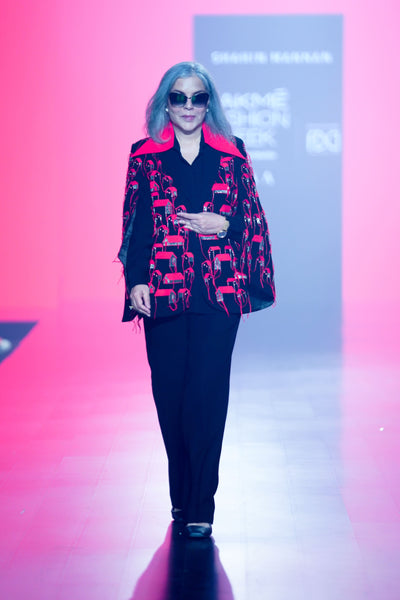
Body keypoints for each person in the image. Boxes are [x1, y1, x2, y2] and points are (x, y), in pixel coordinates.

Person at [118, 62, 275, 539]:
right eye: (179, 97)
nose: (189, 106)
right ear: (166, 103)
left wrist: (223, 224)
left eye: (198, 97)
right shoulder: (144, 155)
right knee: (170, 396)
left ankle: (201, 503)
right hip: (162, 290)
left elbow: (253, 219)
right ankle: (181, 493)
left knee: (206, 395)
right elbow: (135, 223)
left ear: (209, 104)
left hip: (218, 292)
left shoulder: (232, 153)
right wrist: (135, 280)